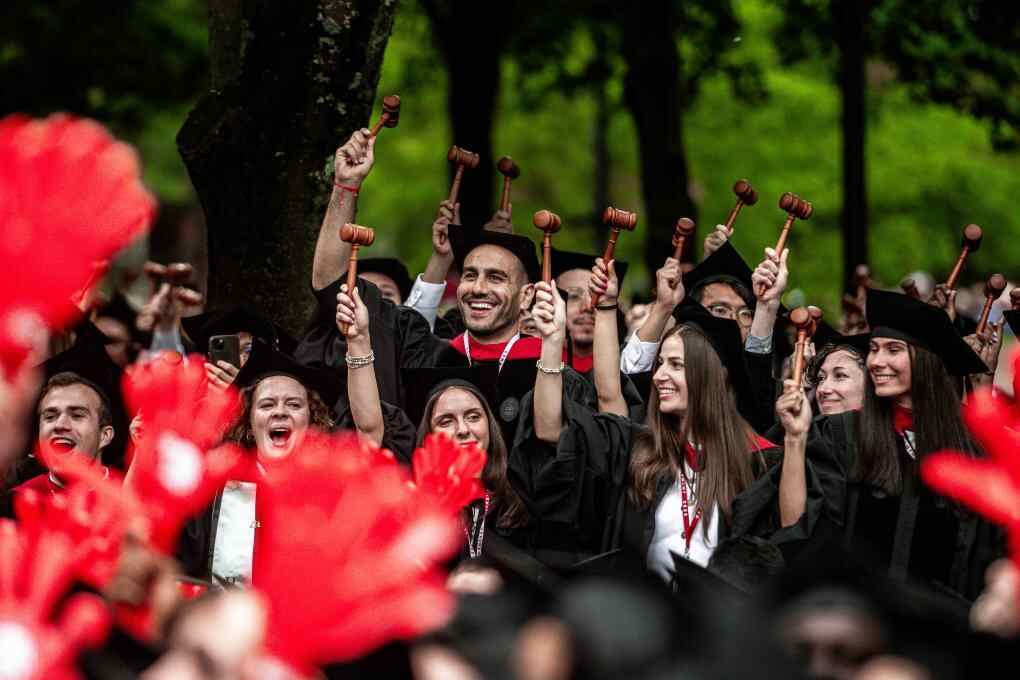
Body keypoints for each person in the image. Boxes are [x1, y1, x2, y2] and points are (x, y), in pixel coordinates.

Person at [510, 262, 831, 579]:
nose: (659, 375)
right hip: (647, 607)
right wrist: (552, 342)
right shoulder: (637, 449)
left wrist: (795, 439)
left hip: (716, 608)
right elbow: (551, 429)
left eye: (676, 365)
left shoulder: (753, 461)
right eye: (661, 363)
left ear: (711, 376)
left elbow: (791, 532)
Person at [814, 289, 1003, 599]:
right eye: (873, 349)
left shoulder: (971, 450)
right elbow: (811, 534)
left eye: (893, 349)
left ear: (926, 362)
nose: (876, 361)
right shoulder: (842, 433)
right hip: (858, 612)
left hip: (940, 621)